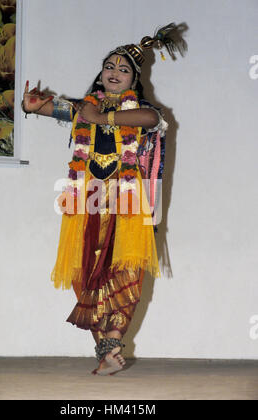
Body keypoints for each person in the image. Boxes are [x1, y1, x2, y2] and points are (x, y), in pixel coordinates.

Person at [22, 23, 185, 376]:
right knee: (86, 275)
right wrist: (33, 106)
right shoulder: (84, 107)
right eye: (109, 66)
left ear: (134, 81)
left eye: (123, 69)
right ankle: (105, 352)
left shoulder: (138, 110)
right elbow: (53, 109)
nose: (114, 72)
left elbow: (151, 118)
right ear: (101, 74)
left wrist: (103, 117)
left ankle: (114, 336)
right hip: (87, 203)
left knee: (127, 272)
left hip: (126, 203)